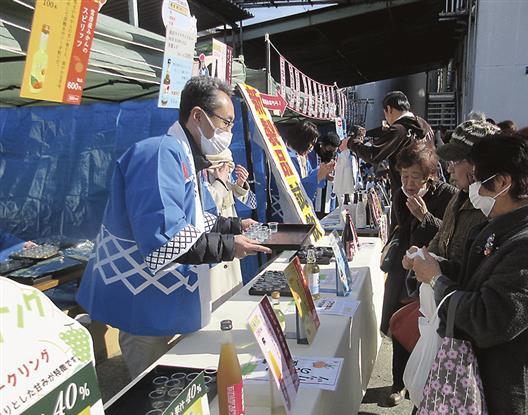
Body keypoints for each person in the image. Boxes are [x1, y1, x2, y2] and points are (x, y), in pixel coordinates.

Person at [77, 77, 270, 379]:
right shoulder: (159, 154)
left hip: (166, 299)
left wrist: (233, 225)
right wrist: (232, 246)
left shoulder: (184, 157)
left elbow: (195, 218)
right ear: (197, 116)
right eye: (226, 122)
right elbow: (163, 242)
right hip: (141, 302)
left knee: (174, 383)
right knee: (153, 393)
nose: (228, 133)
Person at [408, 128, 528, 415]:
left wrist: (436, 279)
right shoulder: (502, 225)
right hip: (476, 396)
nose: (470, 188)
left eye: (479, 181)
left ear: (503, 183)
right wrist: (436, 265)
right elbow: (474, 277)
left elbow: (486, 320)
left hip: (508, 410)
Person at [384, 141, 457, 406]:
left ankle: (423, 381)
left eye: (416, 176)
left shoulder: (448, 196)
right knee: (399, 322)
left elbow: (449, 236)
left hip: (432, 274)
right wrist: (403, 257)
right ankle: (397, 383)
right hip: (404, 270)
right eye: (404, 176)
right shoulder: (399, 195)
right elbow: (399, 230)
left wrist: (425, 217)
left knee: (424, 327)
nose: (410, 182)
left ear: (430, 175)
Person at [404, 119, 499, 286]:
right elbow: (441, 239)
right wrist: (421, 256)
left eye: (455, 162)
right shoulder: (458, 197)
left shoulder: (491, 210)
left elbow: (472, 279)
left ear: (477, 166)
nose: (449, 169)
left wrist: (425, 218)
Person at [345, 91, 434, 195]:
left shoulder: (398, 130)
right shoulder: (424, 125)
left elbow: (373, 155)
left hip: (405, 192)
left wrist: (351, 143)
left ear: (389, 109)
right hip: (428, 188)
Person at [204, 148, 257, 309]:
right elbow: (206, 211)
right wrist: (219, 184)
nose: (229, 169)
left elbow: (249, 203)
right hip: (213, 247)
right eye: (226, 165)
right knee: (216, 295)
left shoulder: (224, 175)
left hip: (232, 240)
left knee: (232, 292)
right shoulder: (201, 177)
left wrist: (240, 185)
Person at [270, 120, 335, 221]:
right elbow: (296, 188)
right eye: (311, 143)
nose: (311, 148)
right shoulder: (287, 158)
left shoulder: (301, 156)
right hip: (287, 212)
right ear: (302, 139)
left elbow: (309, 176)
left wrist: (324, 172)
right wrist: (318, 176)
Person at [311, 132, 340, 217]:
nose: (331, 153)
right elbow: (308, 173)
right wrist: (324, 175)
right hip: (314, 198)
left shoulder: (336, 156)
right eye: (329, 149)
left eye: (334, 150)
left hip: (330, 198)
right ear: (322, 145)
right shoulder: (312, 154)